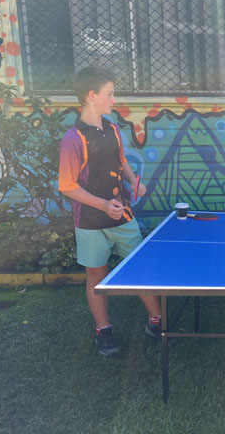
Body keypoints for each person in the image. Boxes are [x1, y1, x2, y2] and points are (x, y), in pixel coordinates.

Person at [59, 67, 163, 356]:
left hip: (123, 216)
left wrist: (132, 180)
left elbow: (121, 159)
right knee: (96, 275)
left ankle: (157, 321)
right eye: (110, 94)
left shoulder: (113, 128)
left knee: (139, 266)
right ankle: (103, 330)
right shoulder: (73, 139)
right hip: (90, 221)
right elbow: (67, 186)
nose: (114, 100)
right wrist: (103, 205)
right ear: (91, 96)